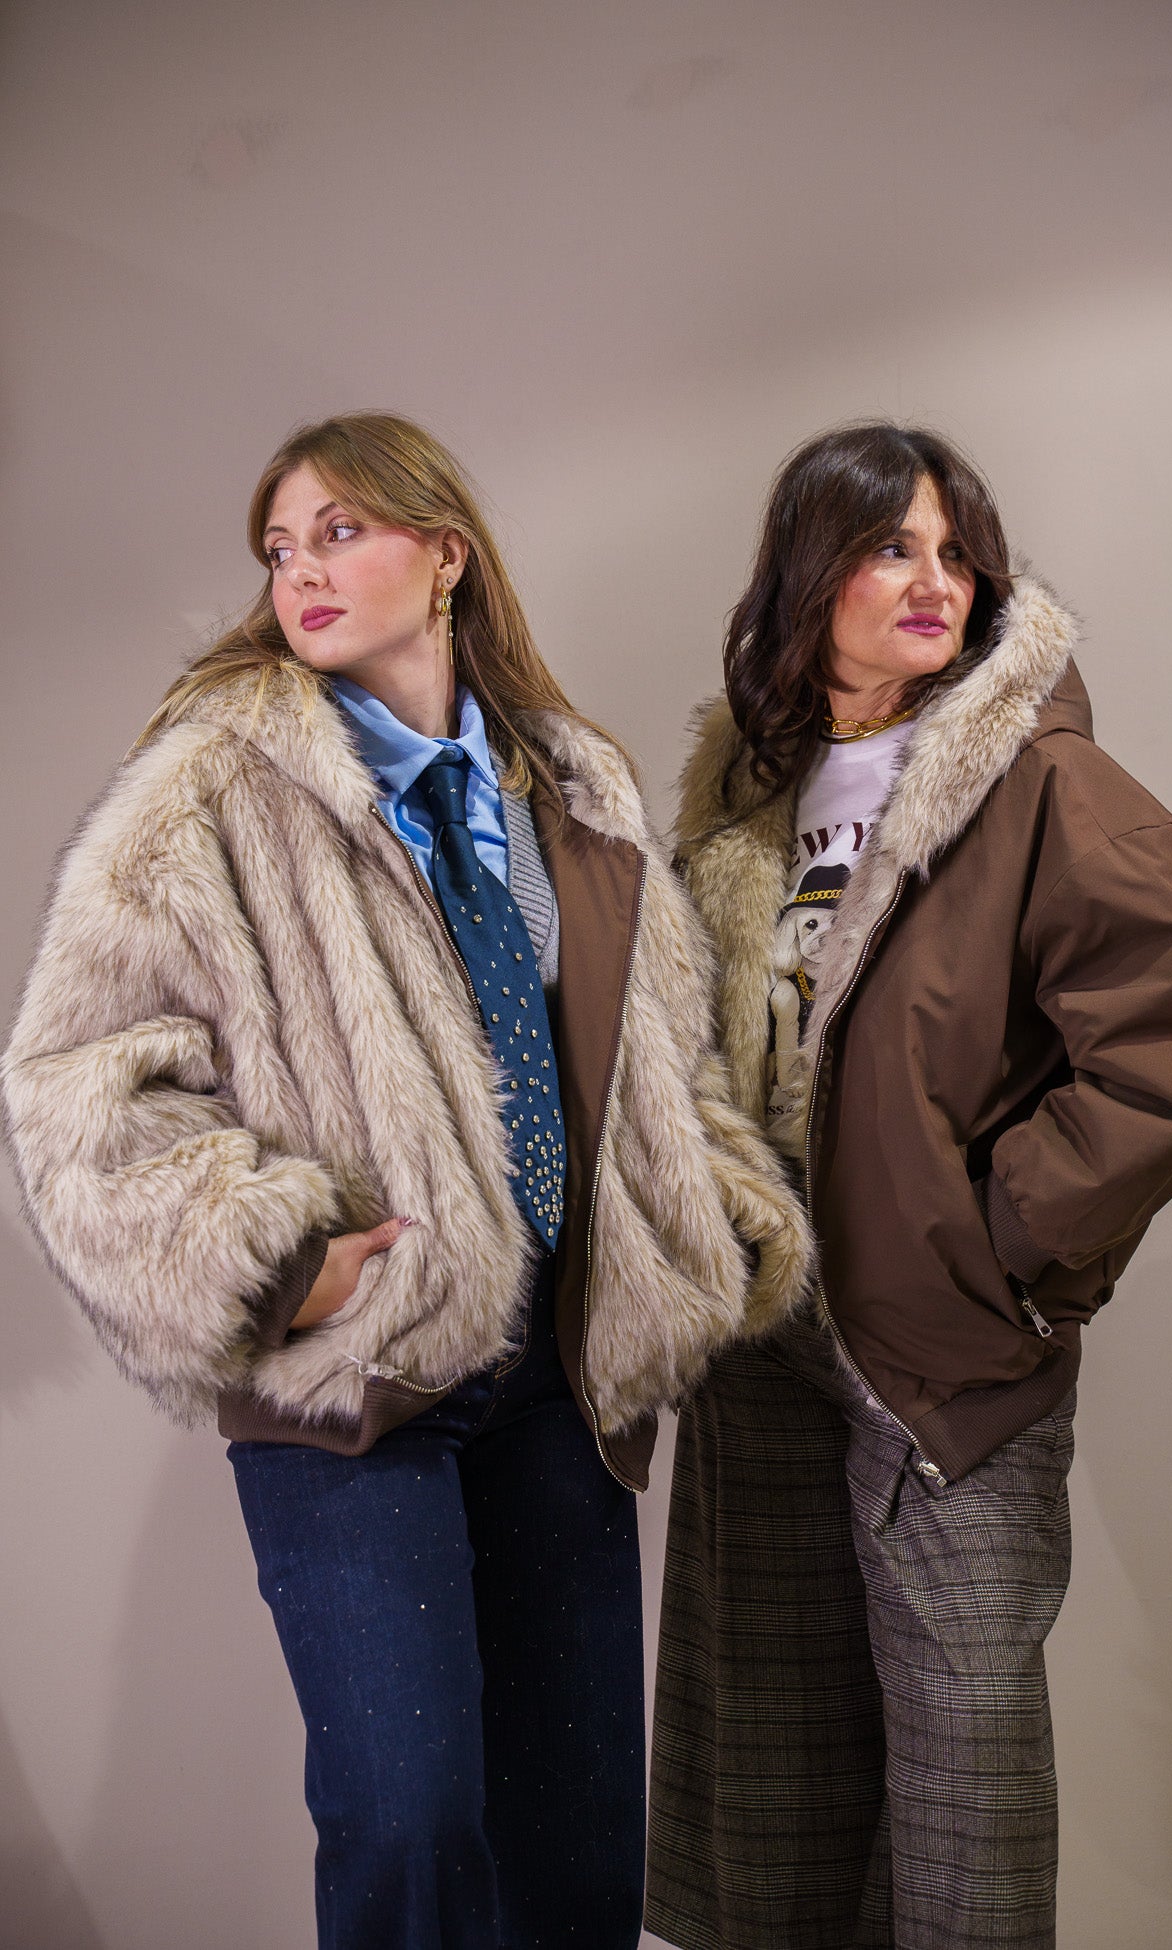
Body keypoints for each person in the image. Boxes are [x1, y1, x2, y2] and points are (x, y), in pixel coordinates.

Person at [2, 411, 810, 1950]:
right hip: (359, 1375)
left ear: (445, 555)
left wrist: (706, 1219)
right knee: (411, 1814)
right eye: (279, 545)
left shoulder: (571, 786)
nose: (300, 568)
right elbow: (77, 1083)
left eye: (339, 530)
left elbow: (661, 1050)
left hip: (562, 1376)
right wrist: (275, 1256)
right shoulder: (212, 789)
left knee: (577, 1844)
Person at [646, 423, 1172, 1950]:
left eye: (957, 551)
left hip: (941, 1339)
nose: (936, 580)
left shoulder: (1039, 783)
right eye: (890, 546)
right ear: (806, 574)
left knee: (961, 1758)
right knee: (781, 1758)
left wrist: (1001, 1245)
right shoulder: (742, 800)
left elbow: (1171, 1047)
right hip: (763, 1335)